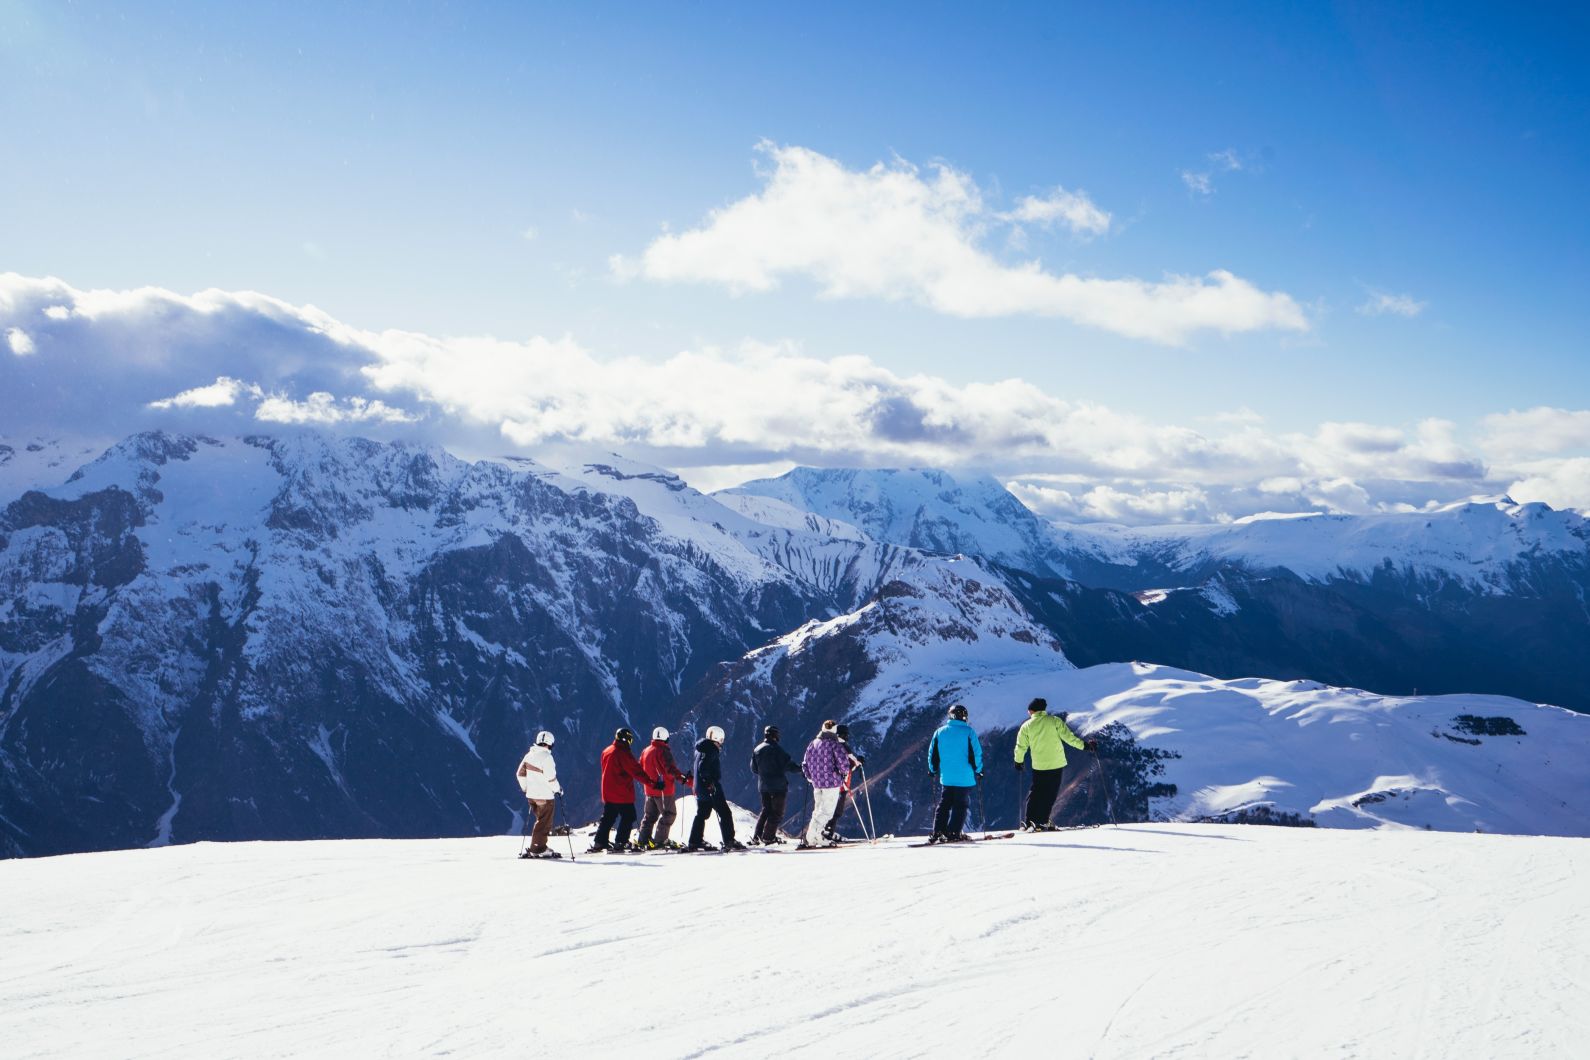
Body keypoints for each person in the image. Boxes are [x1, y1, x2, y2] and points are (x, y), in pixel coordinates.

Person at [1013, 698, 1095, 830]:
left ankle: (1029, 821)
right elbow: (1070, 738)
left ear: (1032, 710)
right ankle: (1043, 821)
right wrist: (1086, 746)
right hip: (1056, 764)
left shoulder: (1026, 726)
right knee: (1050, 794)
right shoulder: (1054, 721)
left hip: (1039, 766)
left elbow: (1021, 746)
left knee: (1035, 793)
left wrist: (1018, 761)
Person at [927, 704, 983, 843]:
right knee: (960, 805)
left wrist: (932, 769)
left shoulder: (939, 732)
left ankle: (938, 832)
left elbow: (932, 754)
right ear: (963, 717)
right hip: (964, 777)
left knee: (944, 804)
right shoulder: (969, 732)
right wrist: (979, 770)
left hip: (947, 777)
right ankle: (953, 833)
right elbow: (976, 754)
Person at [589, 727, 651, 853]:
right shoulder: (623, 753)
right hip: (621, 792)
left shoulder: (607, 751)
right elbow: (636, 771)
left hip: (607, 792)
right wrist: (652, 783)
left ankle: (600, 842)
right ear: (627, 739)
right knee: (629, 816)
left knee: (608, 817)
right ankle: (621, 841)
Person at [686, 725, 745, 851]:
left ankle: (694, 841)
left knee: (702, 814)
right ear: (718, 738)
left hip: (699, 788)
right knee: (725, 813)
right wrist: (709, 783)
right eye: (721, 740)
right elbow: (703, 767)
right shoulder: (711, 749)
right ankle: (729, 840)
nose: (721, 744)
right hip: (711, 787)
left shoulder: (700, 749)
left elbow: (699, 767)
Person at [800, 720, 853, 848]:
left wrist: (811, 778)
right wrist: (843, 773)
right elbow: (844, 764)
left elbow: (805, 764)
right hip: (832, 782)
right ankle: (811, 835)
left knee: (817, 810)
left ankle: (816, 836)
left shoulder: (813, 744)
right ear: (834, 730)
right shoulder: (834, 745)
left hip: (817, 783)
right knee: (827, 812)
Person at [637, 726, 692, 850]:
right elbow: (670, 769)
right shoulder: (663, 751)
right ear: (665, 738)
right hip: (663, 791)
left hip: (649, 790)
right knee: (669, 814)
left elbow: (640, 768)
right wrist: (682, 777)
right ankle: (660, 841)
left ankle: (643, 840)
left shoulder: (645, 751)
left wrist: (649, 782)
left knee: (649, 816)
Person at [750, 725, 801, 844]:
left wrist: (764, 773)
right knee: (777, 812)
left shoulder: (757, 749)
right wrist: (802, 769)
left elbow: (754, 769)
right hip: (778, 786)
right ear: (775, 735)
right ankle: (768, 837)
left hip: (763, 786)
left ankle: (757, 837)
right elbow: (789, 765)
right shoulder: (777, 750)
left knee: (765, 810)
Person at [515, 730, 563, 859]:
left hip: (531, 796)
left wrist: (526, 789)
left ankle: (538, 846)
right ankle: (538, 848)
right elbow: (551, 778)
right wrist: (558, 789)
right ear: (550, 743)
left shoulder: (529, 755)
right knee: (544, 823)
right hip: (545, 796)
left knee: (540, 821)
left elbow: (519, 774)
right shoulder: (547, 758)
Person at [822, 723, 866, 842]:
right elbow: (849, 765)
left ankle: (825, 831)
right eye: (846, 734)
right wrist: (859, 762)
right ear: (843, 734)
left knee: (827, 809)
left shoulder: (829, 745)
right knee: (836, 811)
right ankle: (828, 833)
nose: (848, 737)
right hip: (841, 784)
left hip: (826, 783)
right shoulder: (843, 746)